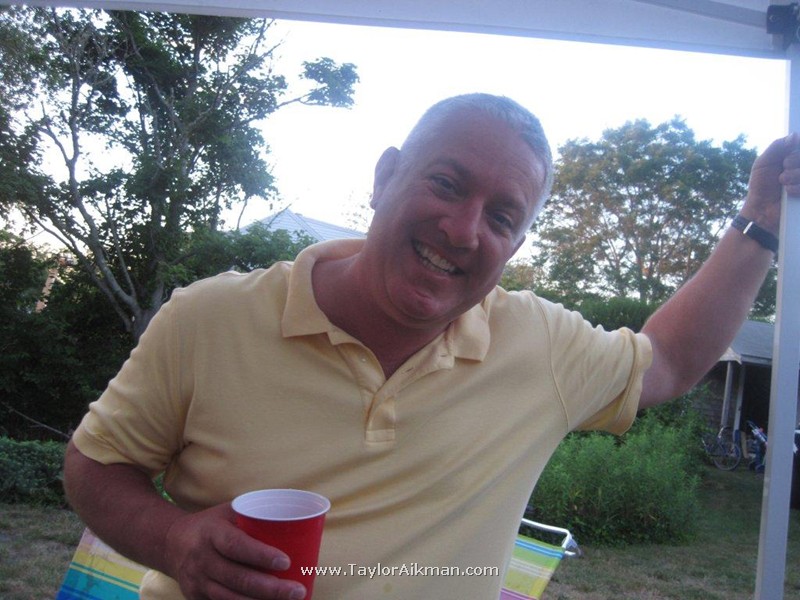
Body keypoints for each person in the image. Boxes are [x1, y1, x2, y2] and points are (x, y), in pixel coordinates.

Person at [63, 93, 800, 600]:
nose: (462, 229)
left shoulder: (539, 345)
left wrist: (761, 218)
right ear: (386, 176)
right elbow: (96, 464)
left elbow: (669, 361)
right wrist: (176, 540)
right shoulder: (211, 318)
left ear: (517, 243)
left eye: (502, 216)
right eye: (446, 183)